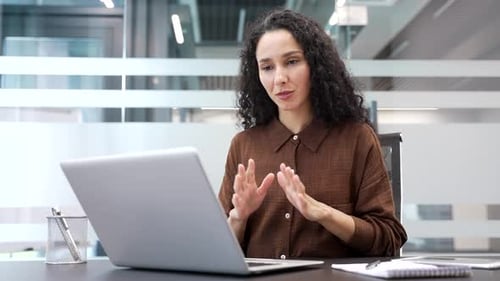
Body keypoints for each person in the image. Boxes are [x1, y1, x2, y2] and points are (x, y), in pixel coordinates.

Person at [218, 9, 407, 259]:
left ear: (316, 64)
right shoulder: (244, 145)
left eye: (292, 62)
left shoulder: (357, 139)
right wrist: (238, 218)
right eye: (267, 67)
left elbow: (389, 238)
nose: (279, 79)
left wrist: (323, 213)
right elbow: (217, 248)